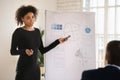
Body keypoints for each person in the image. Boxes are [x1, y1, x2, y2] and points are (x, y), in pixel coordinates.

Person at [10, 5, 68, 80]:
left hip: (35, 70)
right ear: (22, 19)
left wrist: (58, 42)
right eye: (28, 18)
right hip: (24, 69)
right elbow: (13, 51)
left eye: (33, 17)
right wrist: (25, 51)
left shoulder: (37, 31)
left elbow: (42, 50)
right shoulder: (18, 32)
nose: (31, 20)